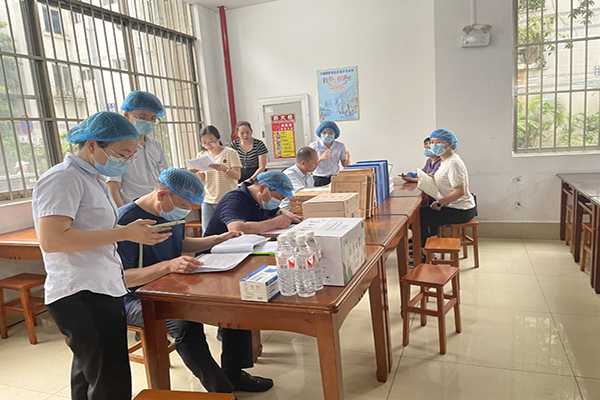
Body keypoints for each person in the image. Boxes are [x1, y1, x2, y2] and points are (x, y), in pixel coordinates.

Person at [32, 112, 172, 400]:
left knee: (90, 373)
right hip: (80, 292)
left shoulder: (93, 178)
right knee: (110, 378)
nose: (126, 161)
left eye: (131, 155)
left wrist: (129, 231)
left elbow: (93, 228)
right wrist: (123, 233)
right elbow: (53, 240)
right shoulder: (63, 178)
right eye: (122, 154)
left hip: (101, 285)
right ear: (93, 144)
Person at [117, 168, 274, 393]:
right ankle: (222, 391)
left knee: (233, 304)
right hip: (135, 297)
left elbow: (179, 243)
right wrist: (168, 265)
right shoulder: (126, 222)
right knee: (185, 324)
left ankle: (234, 374)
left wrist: (217, 239)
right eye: (184, 204)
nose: (187, 210)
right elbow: (122, 278)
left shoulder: (171, 211)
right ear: (162, 196)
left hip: (171, 285)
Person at [106, 90, 170, 208]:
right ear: (127, 116)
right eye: (142, 117)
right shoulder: (118, 146)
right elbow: (113, 185)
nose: (148, 122)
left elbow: (165, 178)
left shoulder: (155, 146)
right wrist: (122, 213)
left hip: (157, 207)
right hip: (133, 208)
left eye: (153, 118)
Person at [419, 128, 477, 250]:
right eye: (432, 142)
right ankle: (424, 245)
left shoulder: (453, 163)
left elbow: (459, 191)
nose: (434, 145)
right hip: (452, 205)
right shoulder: (445, 160)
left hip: (460, 209)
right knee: (419, 214)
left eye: (439, 142)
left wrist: (439, 204)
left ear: (450, 144)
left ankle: (424, 251)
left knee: (418, 218)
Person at [203, 171, 302, 237]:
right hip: (215, 253)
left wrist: (289, 215)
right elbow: (236, 229)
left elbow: (276, 210)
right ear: (262, 188)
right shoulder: (234, 200)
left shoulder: (262, 200)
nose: (278, 201)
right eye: (277, 197)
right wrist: (274, 223)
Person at [191, 125, 241, 235]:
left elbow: (237, 176)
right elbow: (201, 179)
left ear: (218, 139)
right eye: (204, 143)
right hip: (208, 199)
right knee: (207, 233)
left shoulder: (230, 153)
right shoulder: (201, 155)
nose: (208, 145)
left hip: (228, 199)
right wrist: (194, 173)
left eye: (211, 142)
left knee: (230, 232)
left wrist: (224, 169)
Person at [309, 121, 351, 186]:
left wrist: (347, 160)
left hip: (335, 177)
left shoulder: (340, 146)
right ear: (320, 133)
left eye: (331, 133)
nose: (327, 135)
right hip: (319, 178)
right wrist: (320, 159)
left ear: (335, 134)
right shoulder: (314, 146)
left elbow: (344, 165)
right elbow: (310, 165)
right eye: (324, 132)